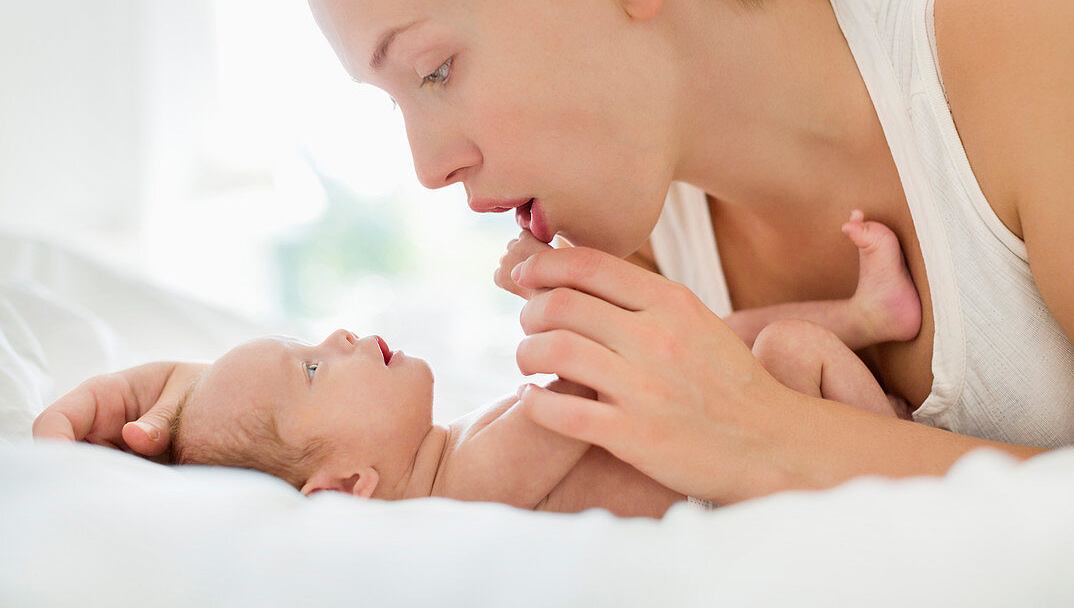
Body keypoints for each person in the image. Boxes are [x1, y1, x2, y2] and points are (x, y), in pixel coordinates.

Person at [34, 0, 1074, 506]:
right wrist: (225, 417)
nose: (425, 166)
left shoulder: (1025, 34)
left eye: (436, 71)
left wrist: (771, 440)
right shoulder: (631, 234)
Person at [166, 214, 917, 515]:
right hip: (752, 475)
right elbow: (595, 368)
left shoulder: (451, 448)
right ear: (348, 487)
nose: (333, 337)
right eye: (311, 371)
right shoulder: (462, 488)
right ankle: (898, 436)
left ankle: (869, 318)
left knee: (708, 338)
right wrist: (544, 279)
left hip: (724, 437)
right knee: (783, 352)